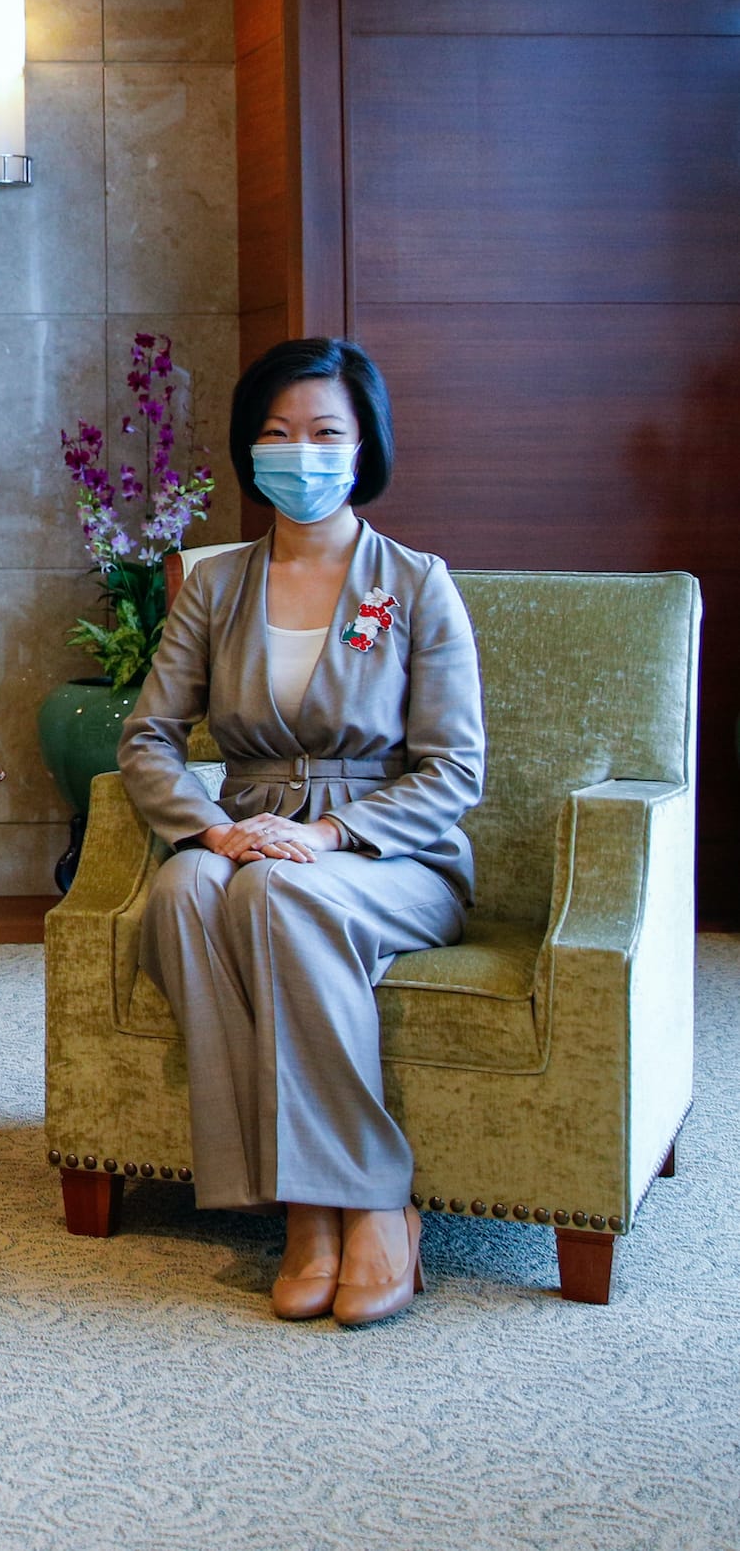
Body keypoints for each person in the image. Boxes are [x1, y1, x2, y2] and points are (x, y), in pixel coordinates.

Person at [117, 337, 484, 1328]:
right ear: (248, 450)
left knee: (273, 890)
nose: (299, 452)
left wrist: (325, 840)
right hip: (246, 834)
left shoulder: (412, 585)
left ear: (362, 448)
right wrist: (210, 831)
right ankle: (300, 1212)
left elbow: (453, 769)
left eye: (323, 432)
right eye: (275, 433)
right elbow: (147, 737)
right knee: (184, 893)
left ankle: (367, 1196)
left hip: (387, 853)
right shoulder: (215, 584)